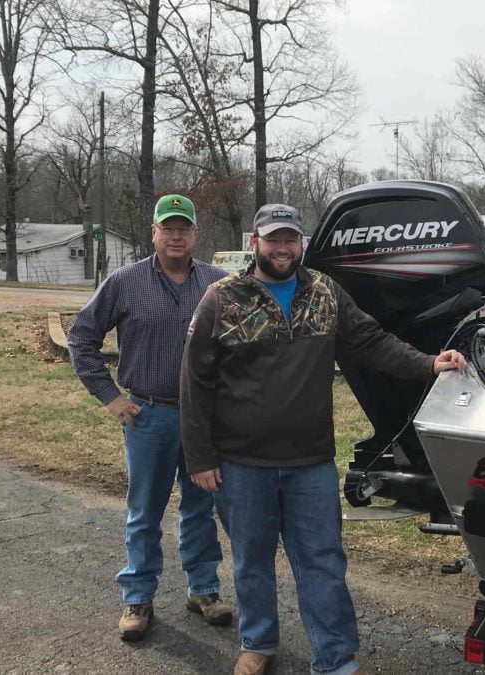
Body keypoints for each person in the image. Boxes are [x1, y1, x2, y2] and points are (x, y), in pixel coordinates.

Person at [180, 204, 467, 675]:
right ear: (256, 243)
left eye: (290, 239)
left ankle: (335, 660)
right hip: (241, 463)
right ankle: (258, 643)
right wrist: (200, 456)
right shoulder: (223, 298)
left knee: (323, 563)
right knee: (252, 561)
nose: (282, 248)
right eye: (273, 239)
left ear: (301, 243)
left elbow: (372, 342)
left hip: (309, 463)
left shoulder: (325, 291)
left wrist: (429, 362)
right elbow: (195, 381)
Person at [67, 194, 233, 641]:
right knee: (145, 511)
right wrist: (109, 396)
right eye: (168, 228)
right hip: (149, 415)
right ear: (154, 233)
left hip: (205, 420)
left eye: (184, 228)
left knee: (202, 507)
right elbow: (80, 338)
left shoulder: (219, 284)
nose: (176, 236)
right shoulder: (124, 282)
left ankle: (203, 590)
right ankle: (137, 597)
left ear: (195, 234)